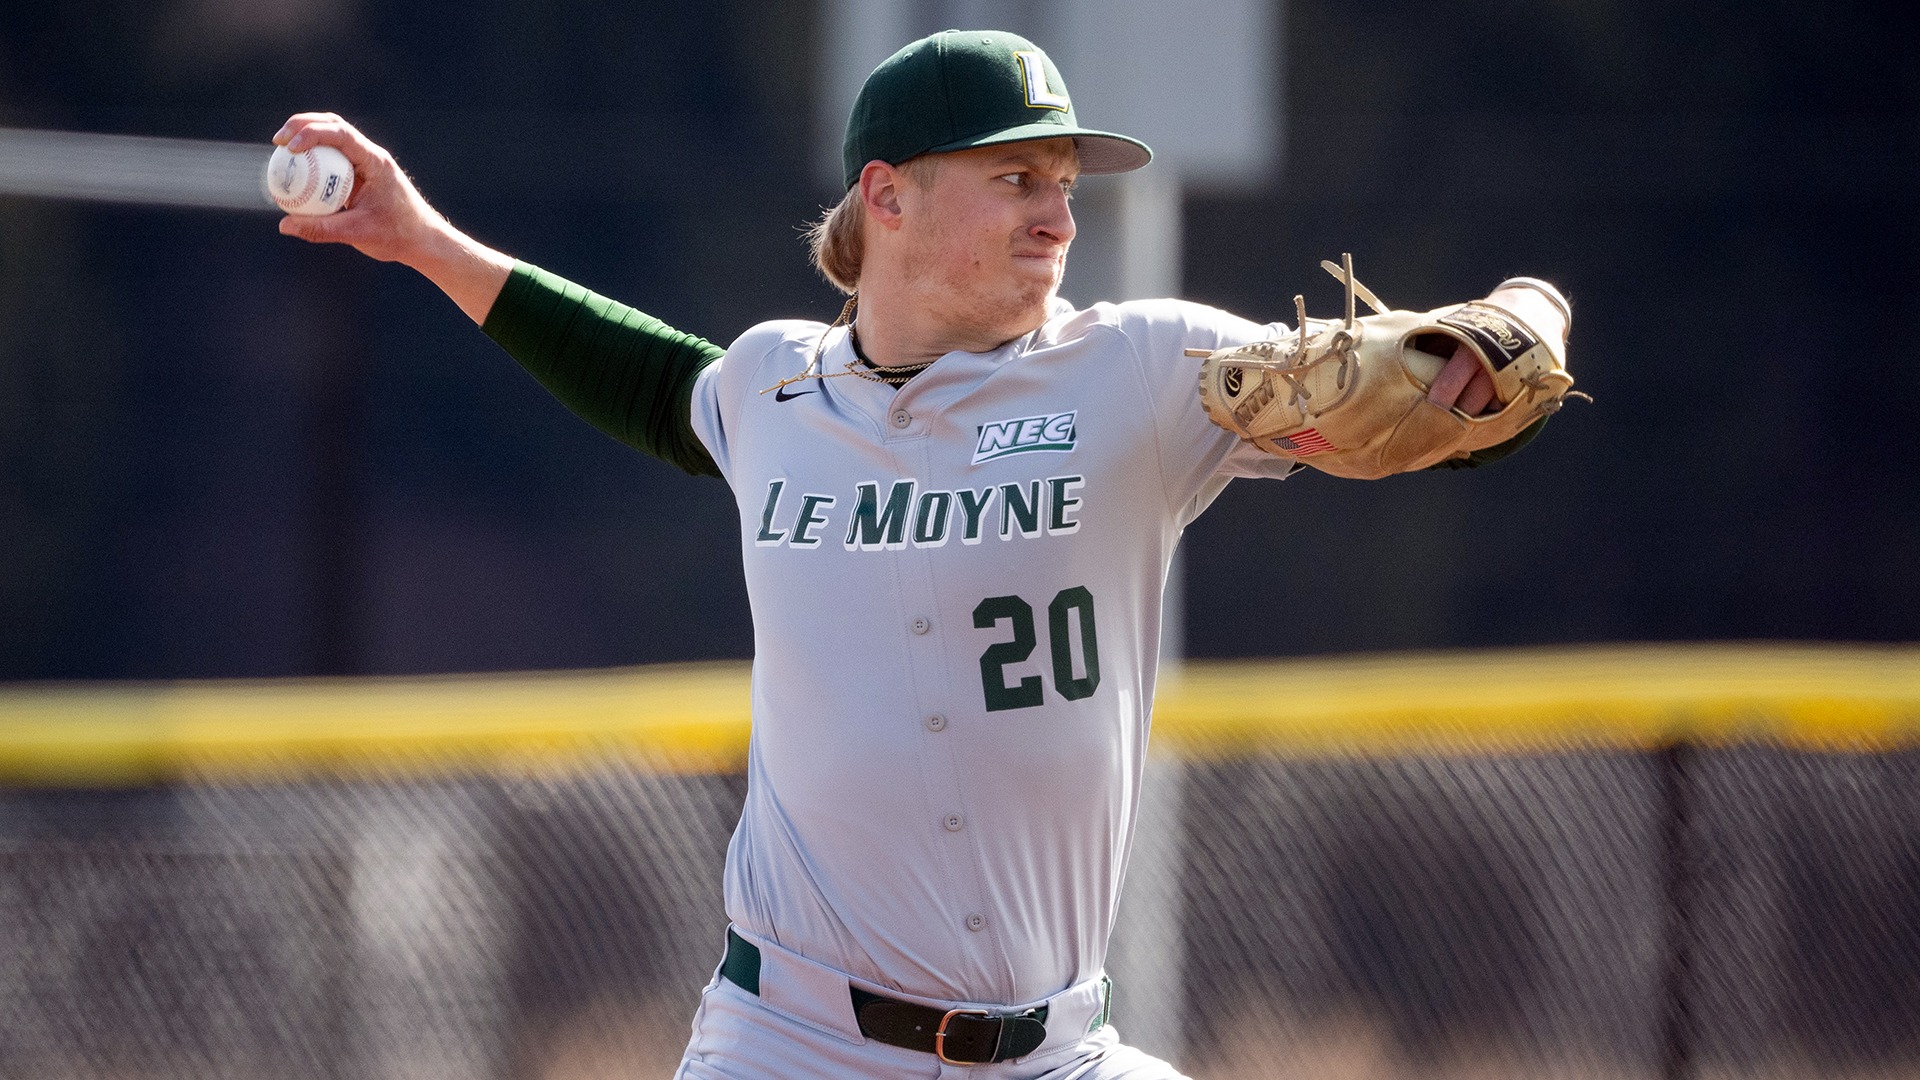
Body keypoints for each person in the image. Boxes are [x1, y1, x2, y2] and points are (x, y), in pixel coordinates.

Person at [275, 28, 1567, 1080]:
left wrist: (1493, 357)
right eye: (1018, 179)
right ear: (886, 196)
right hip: (791, 1046)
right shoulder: (774, 391)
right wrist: (419, 237)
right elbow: (646, 380)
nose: (1060, 216)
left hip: (1060, 1054)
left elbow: (1401, 414)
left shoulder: (1143, 371)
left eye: (1067, 183)